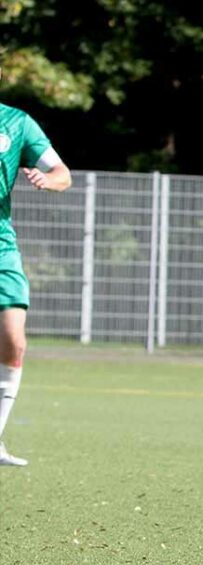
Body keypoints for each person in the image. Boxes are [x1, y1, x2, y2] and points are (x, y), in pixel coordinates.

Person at [0, 72, 72, 467]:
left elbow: (63, 174)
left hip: (0, 244)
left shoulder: (16, 123)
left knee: (14, 337)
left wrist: (48, 180)